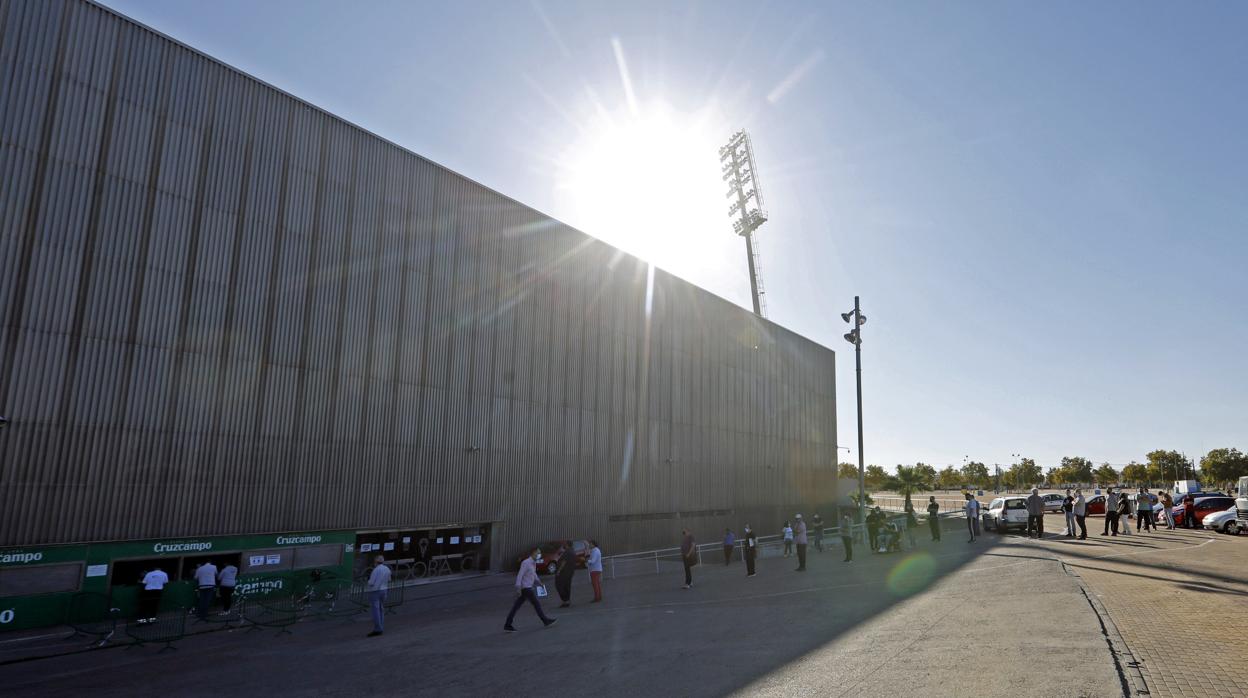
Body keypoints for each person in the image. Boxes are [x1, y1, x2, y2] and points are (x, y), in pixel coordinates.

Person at [505, 548, 556, 631]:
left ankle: (508, 624)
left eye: (540, 553)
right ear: (533, 553)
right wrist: (518, 587)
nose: (539, 555)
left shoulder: (533, 563)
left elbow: (533, 574)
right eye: (538, 553)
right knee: (536, 604)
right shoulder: (526, 563)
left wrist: (539, 582)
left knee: (516, 606)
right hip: (526, 588)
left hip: (527, 588)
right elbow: (520, 575)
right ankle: (545, 620)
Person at [366, 555, 392, 637]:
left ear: (375, 562)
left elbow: (372, 582)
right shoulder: (387, 569)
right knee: (381, 609)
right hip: (384, 590)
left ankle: (378, 628)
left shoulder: (376, 570)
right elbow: (389, 579)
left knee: (375, 610)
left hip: (375, 591)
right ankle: (381, 626)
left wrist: (368, 582)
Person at [555, 540, 577, 608]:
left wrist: (558, 571)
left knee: (559, 586)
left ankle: (565, 600)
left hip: (563, 573)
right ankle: (567, 601)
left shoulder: (567, 552)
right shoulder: (572, 551)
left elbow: (563, 562)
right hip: (569, 572)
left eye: (565, 544)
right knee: (567, 586)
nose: (564, 545)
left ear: (567, 545)